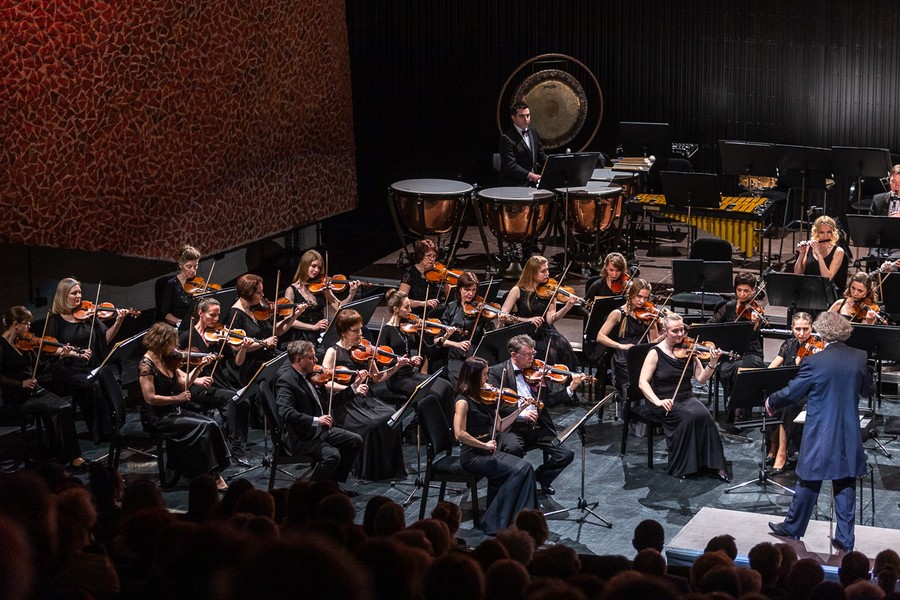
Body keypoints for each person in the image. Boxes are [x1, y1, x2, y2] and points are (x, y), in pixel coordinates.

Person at [766, 311, 873, 552]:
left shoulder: (814, 361)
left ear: (822, 333)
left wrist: (771, 401)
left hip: (821, 431)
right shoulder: (859, 357)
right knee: (845, 483)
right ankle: (845, 539)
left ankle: (793, 527)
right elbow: (868, 390)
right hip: (848, 432)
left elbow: (793, 393)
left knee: (809, 479)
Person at [137, 322, 231, 490]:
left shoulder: (167, 359)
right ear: (162, 342)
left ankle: (212, 472)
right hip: (156, 417)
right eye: (172, 343)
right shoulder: (146, 365)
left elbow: (184, 383)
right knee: (202, 427)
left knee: (211, 424)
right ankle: (212, 477)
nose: (176, 347)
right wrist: (177, 399)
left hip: (172, 411)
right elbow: (150, 398)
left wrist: (200, 367)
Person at [638, 312, 729, 480]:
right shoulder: (655, 353)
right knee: (689, 417)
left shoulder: (690, 350)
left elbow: (701, 379)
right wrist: (658, 401)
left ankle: (714, 464)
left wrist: (713, 363)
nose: (680, 334)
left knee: (706, 417)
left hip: (686, 396)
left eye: (682, 330)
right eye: (675, 331)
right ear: (665, 331)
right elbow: (643, 382)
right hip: (663, 399)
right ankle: (684, 466)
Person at [487, 334, 583, 496]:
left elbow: (550, 401)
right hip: (512, 427)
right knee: (513, 449)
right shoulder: (497, 373)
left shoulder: (538, 373)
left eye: (533, 354)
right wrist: (522, 414)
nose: (532, 359)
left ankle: (540, 477)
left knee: (566, 454)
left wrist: (571, 389)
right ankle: (515, 487)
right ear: (513, 355)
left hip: (538, 426)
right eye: (527, 355)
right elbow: (498, 405)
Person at [453, 356, 536, 535]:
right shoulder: (462, 401)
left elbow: (500, 426)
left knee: (526, 469)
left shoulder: (485, 398)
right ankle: (497, 521)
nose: (487, 379)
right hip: (473, 456)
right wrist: (483, 446)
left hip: (488, 451)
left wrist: (520, 409)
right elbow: (459, 433)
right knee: (520, 470)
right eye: (484, 375)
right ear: (474, 376)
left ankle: (513, 521)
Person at [321, 309, 405, 480]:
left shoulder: (364, 350)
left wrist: (397, 366)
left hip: (365, 398)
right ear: (343, 332)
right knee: (372, 424)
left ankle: (388, 469)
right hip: (345, 403)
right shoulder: (333, 352)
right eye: (355, 331)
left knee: (391, 415)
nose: (360, 333)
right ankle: (368, 470)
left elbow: (377, 377)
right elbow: (325, 381)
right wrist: (350, 389)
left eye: (360, 329)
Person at [44, 277, 129, 443]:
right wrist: (68, 352)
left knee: (109, 377)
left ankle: (116, 424)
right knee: (94, 385)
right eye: (74, 293)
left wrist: (118, 321)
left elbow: (105, 340)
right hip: (68, 369)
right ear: (63, 296)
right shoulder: (55, 320)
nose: (79, 296)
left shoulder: (89, 315)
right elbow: (49, 348)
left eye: (80, 292)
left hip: (91, 365)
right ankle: (100, 432)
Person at [0, 306, 85, 470]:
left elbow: (41, 368)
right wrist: (20, 384)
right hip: (17, 397)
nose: (29, 327)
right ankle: (66, 457)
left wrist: (61, 356)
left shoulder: (26, 344)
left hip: (35, 390)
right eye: (27, 323)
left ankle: (67, 454)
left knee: (65, 407)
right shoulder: (2, 347)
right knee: (57, 410)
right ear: (16, 324)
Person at [275, 340, 363, 482]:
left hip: (319, 432)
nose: (316, 360)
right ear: (299, 360)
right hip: (301, 438)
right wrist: (316, 420)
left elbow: (331, 402)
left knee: (355, 440)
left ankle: (332, 485)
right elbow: (285, 412)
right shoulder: (286, 381)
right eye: (311, 358)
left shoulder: (313, 376)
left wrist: (353, 389)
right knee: (332, 456)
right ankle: (312, 490)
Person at [178, 297, 252, 456]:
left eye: (218, 315)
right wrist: (196, 379)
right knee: (231, 399)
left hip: (217, 382)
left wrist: (243, 349)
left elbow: (236, 363)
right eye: (212, 315)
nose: (216, 319)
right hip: (196, 385)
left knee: (244, 401)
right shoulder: (186, 337)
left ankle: (238, 444)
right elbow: (172, 369)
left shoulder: (218, 338)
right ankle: (235, 449)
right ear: (200, 313)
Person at [596, 278, 661, 421]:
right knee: (635, 377)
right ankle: (632, 418)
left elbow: (654, 341)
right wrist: (621, 346)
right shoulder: (618, 314)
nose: (642, 301)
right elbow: (600, 336)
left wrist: (663, 334)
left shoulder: (648, 315)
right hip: (623, 358)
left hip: (643, 355)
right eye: (639, 296)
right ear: (631, 295)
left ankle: (651, 418)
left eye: (645, 297)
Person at [381, 290, 455, 413]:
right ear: (395, 309)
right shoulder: (386, 331)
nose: (410, 310)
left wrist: (445, 337)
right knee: (433, 395)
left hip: (412, 373)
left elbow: (429, 350)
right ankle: (418, 426)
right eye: (406, 307)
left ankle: (447, 426)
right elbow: (383, 359)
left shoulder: (409, 328)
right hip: (397, 378)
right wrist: (406, 361)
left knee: (447, 386)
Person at [500, 255, 578, 367]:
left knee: (560, 347)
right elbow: (504, 315)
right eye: (543, 271)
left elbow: (550, 320)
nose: (547, 274)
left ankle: (557, 381)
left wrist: (568, 306)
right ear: (532, 273)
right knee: (541, 350)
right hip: (524, 332)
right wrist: (527, 320)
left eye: (547, 270)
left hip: (545, 331)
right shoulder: (517, 290)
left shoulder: (549, 291)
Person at [708, 272, 767, 418]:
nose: (742, 294)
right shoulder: (729, 307)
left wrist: (754, 324)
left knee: (742, 369)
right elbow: (710, 326)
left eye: (746, 291)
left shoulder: (756, 311)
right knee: (732, 368)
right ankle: (736, 408)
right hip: (730, 352)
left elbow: (751, 338)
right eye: (739, 290)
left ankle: (737, 409)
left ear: (753, 290)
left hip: (751, 352)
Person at [766, 312, 817, 474]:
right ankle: (773, 443)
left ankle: (781, 451)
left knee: (787, 405)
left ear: (811, 328)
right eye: (798, 329)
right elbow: (773, 366)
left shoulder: (818, 347)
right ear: (792, 328)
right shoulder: (788, 344)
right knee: (773, 398)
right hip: (789, 388)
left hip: (807, 391)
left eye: (806, 329)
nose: (802, 334)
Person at [284, 249, 361, 345]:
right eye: (313, 266)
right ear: (305, 265)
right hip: (302, 339)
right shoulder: (291, 290)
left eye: (319, 268)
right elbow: (288, 320)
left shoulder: (322, 287)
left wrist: (351, 293)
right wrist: (312, 327)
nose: (316, 270)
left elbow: (340, 308)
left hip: (321, 334)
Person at [433, 272, 497, 384]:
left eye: (473, 290)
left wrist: (500, 321)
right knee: (461, 383)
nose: (470, 294)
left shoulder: (480, 309)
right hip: (456, 357)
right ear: (459, 289)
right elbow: (437, 340)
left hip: (476, 356)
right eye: (467, 290)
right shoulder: (451, 308)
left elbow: (493, 333)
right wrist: (456, 344)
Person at [499, 101, 547, 186]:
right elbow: (510, 165)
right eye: (522, 116)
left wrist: (554, 165)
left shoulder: (533, 132)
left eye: (528, 115)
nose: (526, 119)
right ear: (513, 118)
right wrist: (531, 176)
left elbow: (541, 155)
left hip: (534, 181)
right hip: (516, 183)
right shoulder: (507, 138)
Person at [159, 244, 202, 330]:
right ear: (181, 265)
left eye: (195, 266)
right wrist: (179, 322)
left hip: (197, 326)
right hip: (179, 327)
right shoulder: (171, 284)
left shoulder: (199, 282)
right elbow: (165, 313)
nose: (193, 270)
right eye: (189, 266)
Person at [793, 215, 845, 282]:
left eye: (829, 232)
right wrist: (801, 254)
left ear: (833, 233)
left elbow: (827, 278)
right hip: (807, 286)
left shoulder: (838, 251)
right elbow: (798, 274)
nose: (825, 236)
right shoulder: (809, 247)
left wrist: (819, 254)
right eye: (822, 232)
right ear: (816, 233)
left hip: (824, 289)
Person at [868, 164, 900, 269]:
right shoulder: (878, 200)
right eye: (893, 182)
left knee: (893, 260)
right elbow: (870, 225)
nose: (896, 186)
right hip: (881, 242)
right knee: (873, 256)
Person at [398, 239, 444, 310]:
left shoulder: (439, 272)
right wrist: (423, 303)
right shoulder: (410, 275)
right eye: (428, 256)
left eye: (434, 256)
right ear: (421, 256)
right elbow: (401, 300)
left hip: (438, 311)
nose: (432, 259)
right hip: (418, 314)